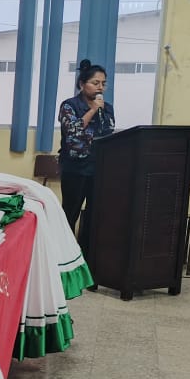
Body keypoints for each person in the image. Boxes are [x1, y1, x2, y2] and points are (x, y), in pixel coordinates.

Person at [57, 59, 116, 252]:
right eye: (95, 83)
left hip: (99, 167)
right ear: (82, 84)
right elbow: (73, 132)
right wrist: (92, 110)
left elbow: (109, 133)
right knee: (70, 212)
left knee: (95, 214)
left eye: (103, 83)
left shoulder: (107, 108)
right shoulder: (69, 105)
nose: (100, 87)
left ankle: (88, 255)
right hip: (75, 168)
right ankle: (65, 254)